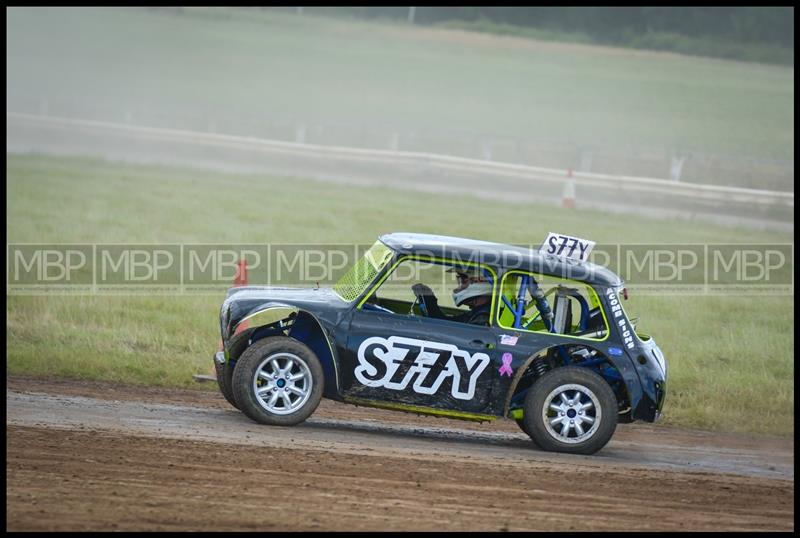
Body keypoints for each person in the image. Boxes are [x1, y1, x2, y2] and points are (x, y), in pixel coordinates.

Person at [411, 267, 492, 326]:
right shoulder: (479, 312)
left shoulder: (483, 317)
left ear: (479, 282)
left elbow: (446, 332)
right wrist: (428, 300)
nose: (459, 286)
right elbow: (447, 323)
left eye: (463, 281)